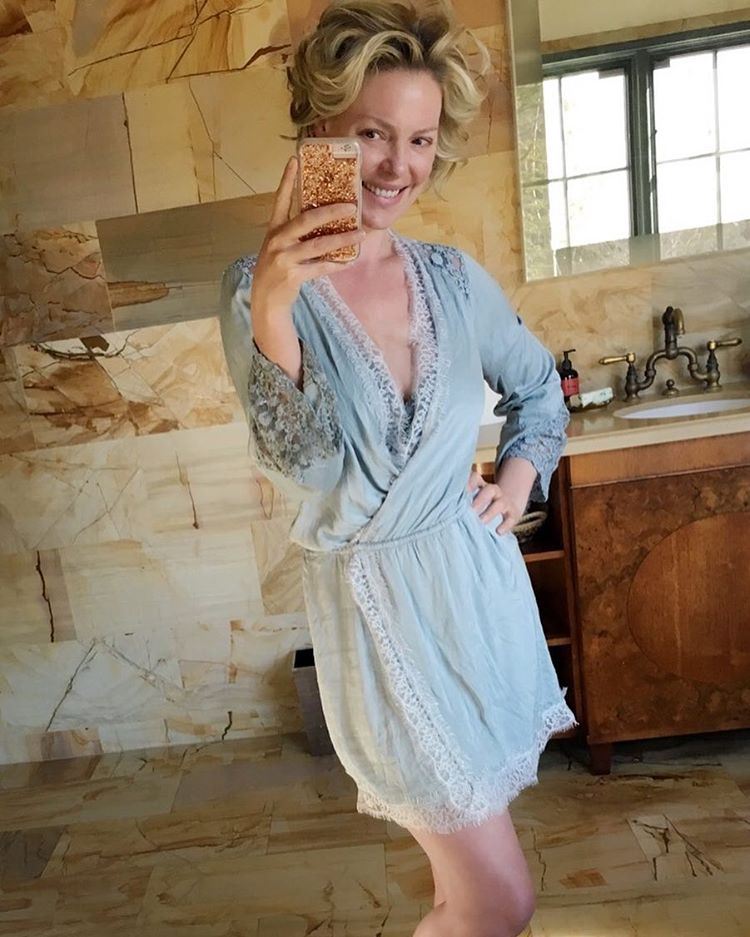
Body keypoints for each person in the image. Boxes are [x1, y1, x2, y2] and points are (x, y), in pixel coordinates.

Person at [219, 1, 578, 934]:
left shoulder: (453, 279)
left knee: (468, 892)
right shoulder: (256, 289)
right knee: (501, 898)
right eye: (371, 133)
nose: (395, 167)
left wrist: (514, 483)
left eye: (419, 140)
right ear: (319, 131)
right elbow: (304, 467)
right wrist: (274, 309)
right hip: (379, 621)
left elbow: (541, 391)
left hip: (475, 599)